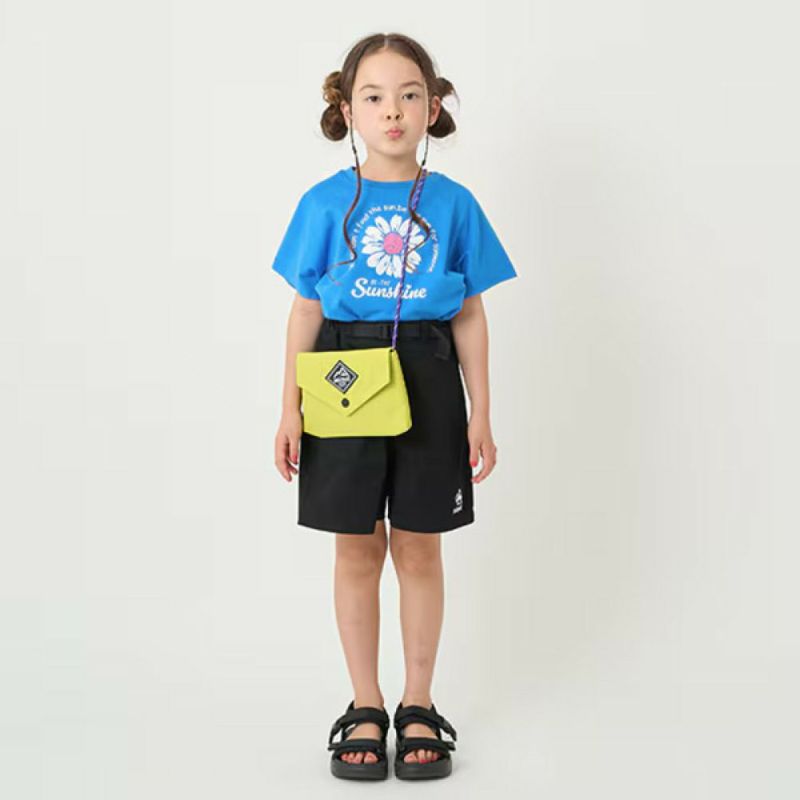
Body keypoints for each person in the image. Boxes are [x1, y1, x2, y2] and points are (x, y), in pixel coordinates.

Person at [271, 32, 518, 781]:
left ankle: (418, 703)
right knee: (356, 546)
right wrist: (289, 409)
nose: (393, 111)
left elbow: (469, 311)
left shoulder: (454, 203)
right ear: (347, 110)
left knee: (418, 545)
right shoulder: (323, 203)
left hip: (427, 373)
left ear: (432, 106)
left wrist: (480, 410)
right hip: (343, 376)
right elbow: (305, 309)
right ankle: (365, 703)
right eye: (374, 97)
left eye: (410, 95)